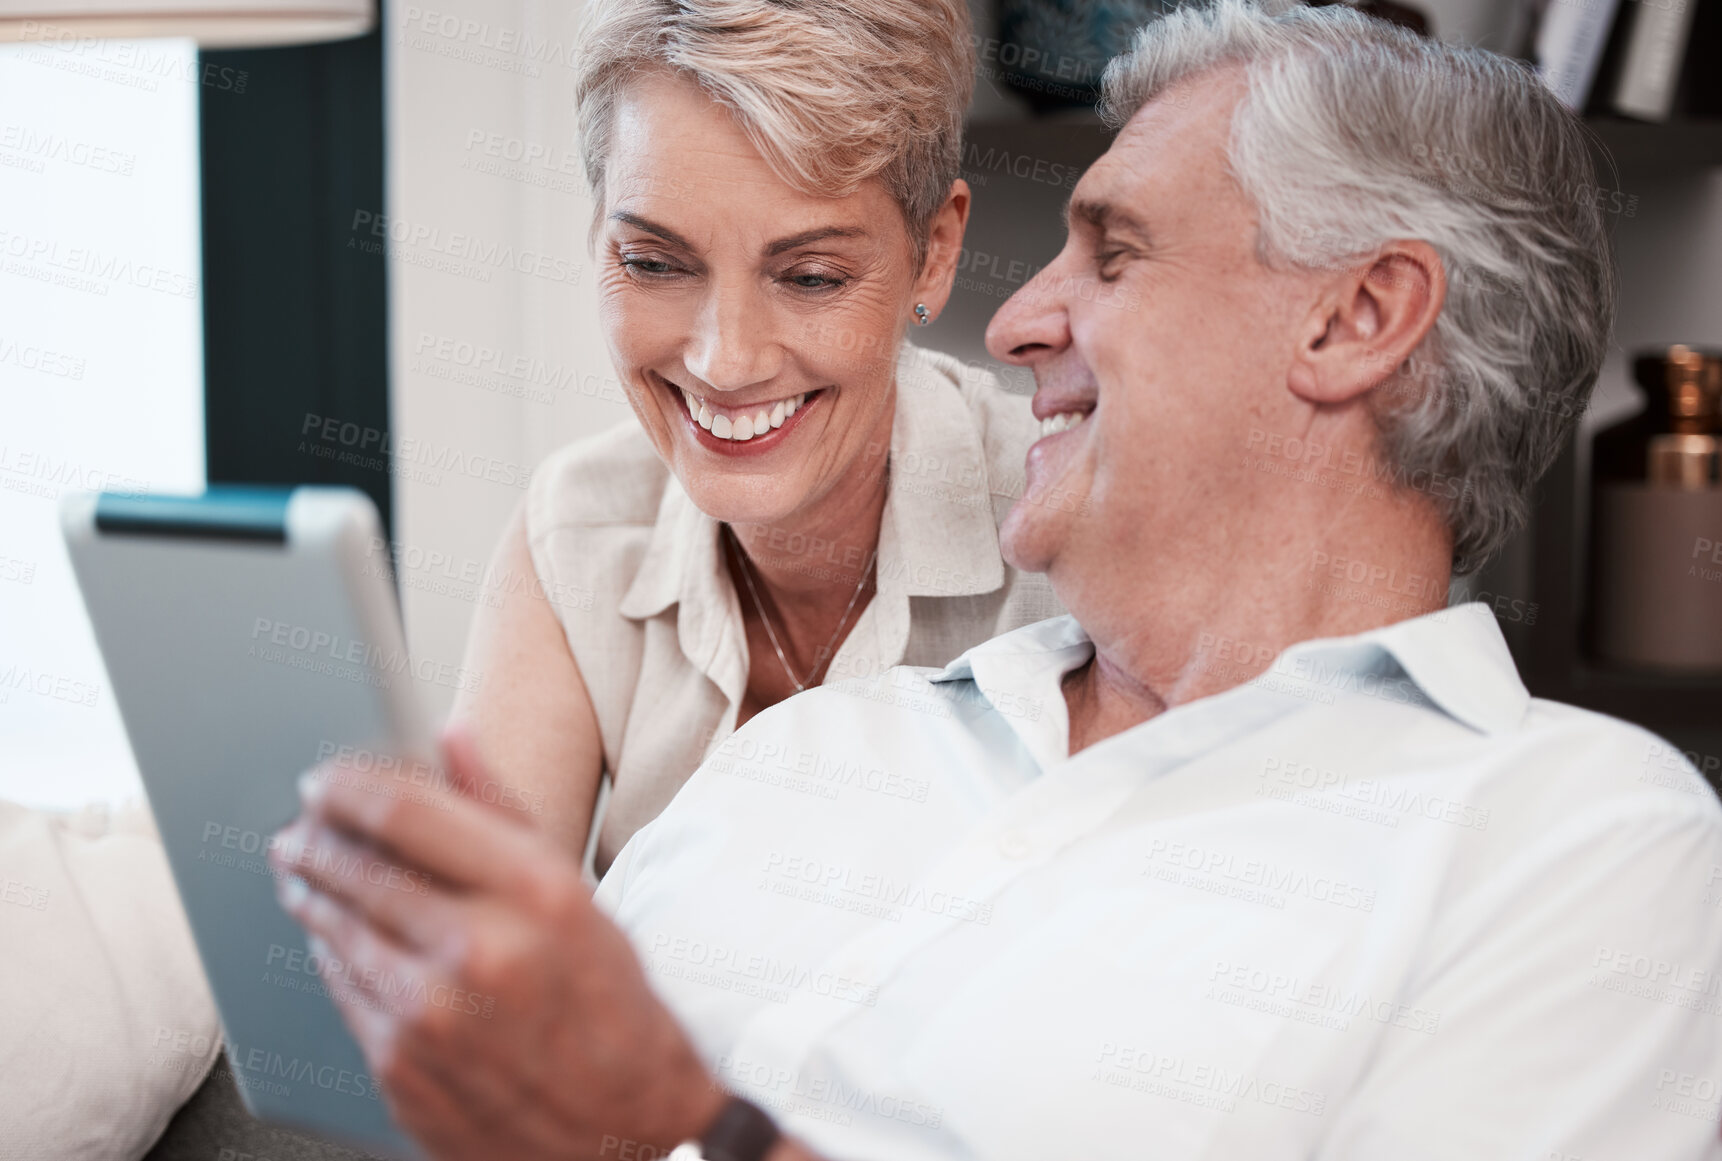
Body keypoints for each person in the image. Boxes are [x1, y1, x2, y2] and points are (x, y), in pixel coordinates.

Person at [269, 2, 1722, 1158]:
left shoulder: (1569, 844)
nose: (1014, 322)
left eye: (1114, 251)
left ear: (1356, 316)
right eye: (654, 259)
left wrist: (689, 1117)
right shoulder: (829, 742)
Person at [458, 0, 1060, 875]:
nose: (724, 360)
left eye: (810, 276)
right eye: (656, 264)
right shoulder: (579, 530)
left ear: (933, 253)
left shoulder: (1063, 538)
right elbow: (479, 963)